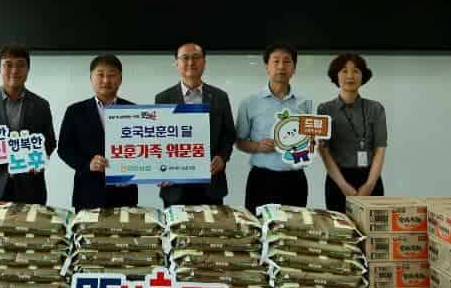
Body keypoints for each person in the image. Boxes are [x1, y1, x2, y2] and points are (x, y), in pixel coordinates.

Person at [0, 43, 57, 204]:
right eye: (8, 65)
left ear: (28, 69)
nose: (15, 71)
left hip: (30, 187)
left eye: (20, 65)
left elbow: (49, 141)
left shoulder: (41, 105)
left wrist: (38, 158)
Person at [155, 42, 236, 207]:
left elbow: (228, 135)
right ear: (176, 63)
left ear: (204, 62)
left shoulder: (220, 97)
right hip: (174, 186)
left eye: (196, 57)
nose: (191, 62)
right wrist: (158, 170)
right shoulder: (163, 98)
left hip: (211, 183)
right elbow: (157, 139)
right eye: (185, 58)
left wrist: (222, 157)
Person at [235, 43, 312, 213]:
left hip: (295, 180)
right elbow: (239, 141)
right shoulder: (249, 102)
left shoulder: (305, 103)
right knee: (258, 226)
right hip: (262, 179)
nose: (281, 67)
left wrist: (313, 144)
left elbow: (309, 140)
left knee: (294, 228)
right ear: (267, 67)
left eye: (287, 61)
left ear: (294, 68)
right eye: (276, 61)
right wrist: (257, 146)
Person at [58, 54, 138, 210]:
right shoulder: (75, 111)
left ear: (120, 79)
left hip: (124, 193)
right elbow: (64, 149)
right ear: (91, 78)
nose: (106, 80)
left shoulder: (134, 111)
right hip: (88, 193)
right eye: (100, 75)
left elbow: (145, 148)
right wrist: (87, 164)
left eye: (112, 75)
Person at [317, 53, 387, 213]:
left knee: (372, 227)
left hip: (370, 178)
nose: (350, 76)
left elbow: (380, 148)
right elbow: (324, 150)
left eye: (355, 71)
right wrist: (343, 185)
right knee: (340, 227)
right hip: (338, 180)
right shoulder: (325, 109)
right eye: (344, 71)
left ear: (363, 75)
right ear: (336, 75)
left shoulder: (375, 108)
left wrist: (369, 185)